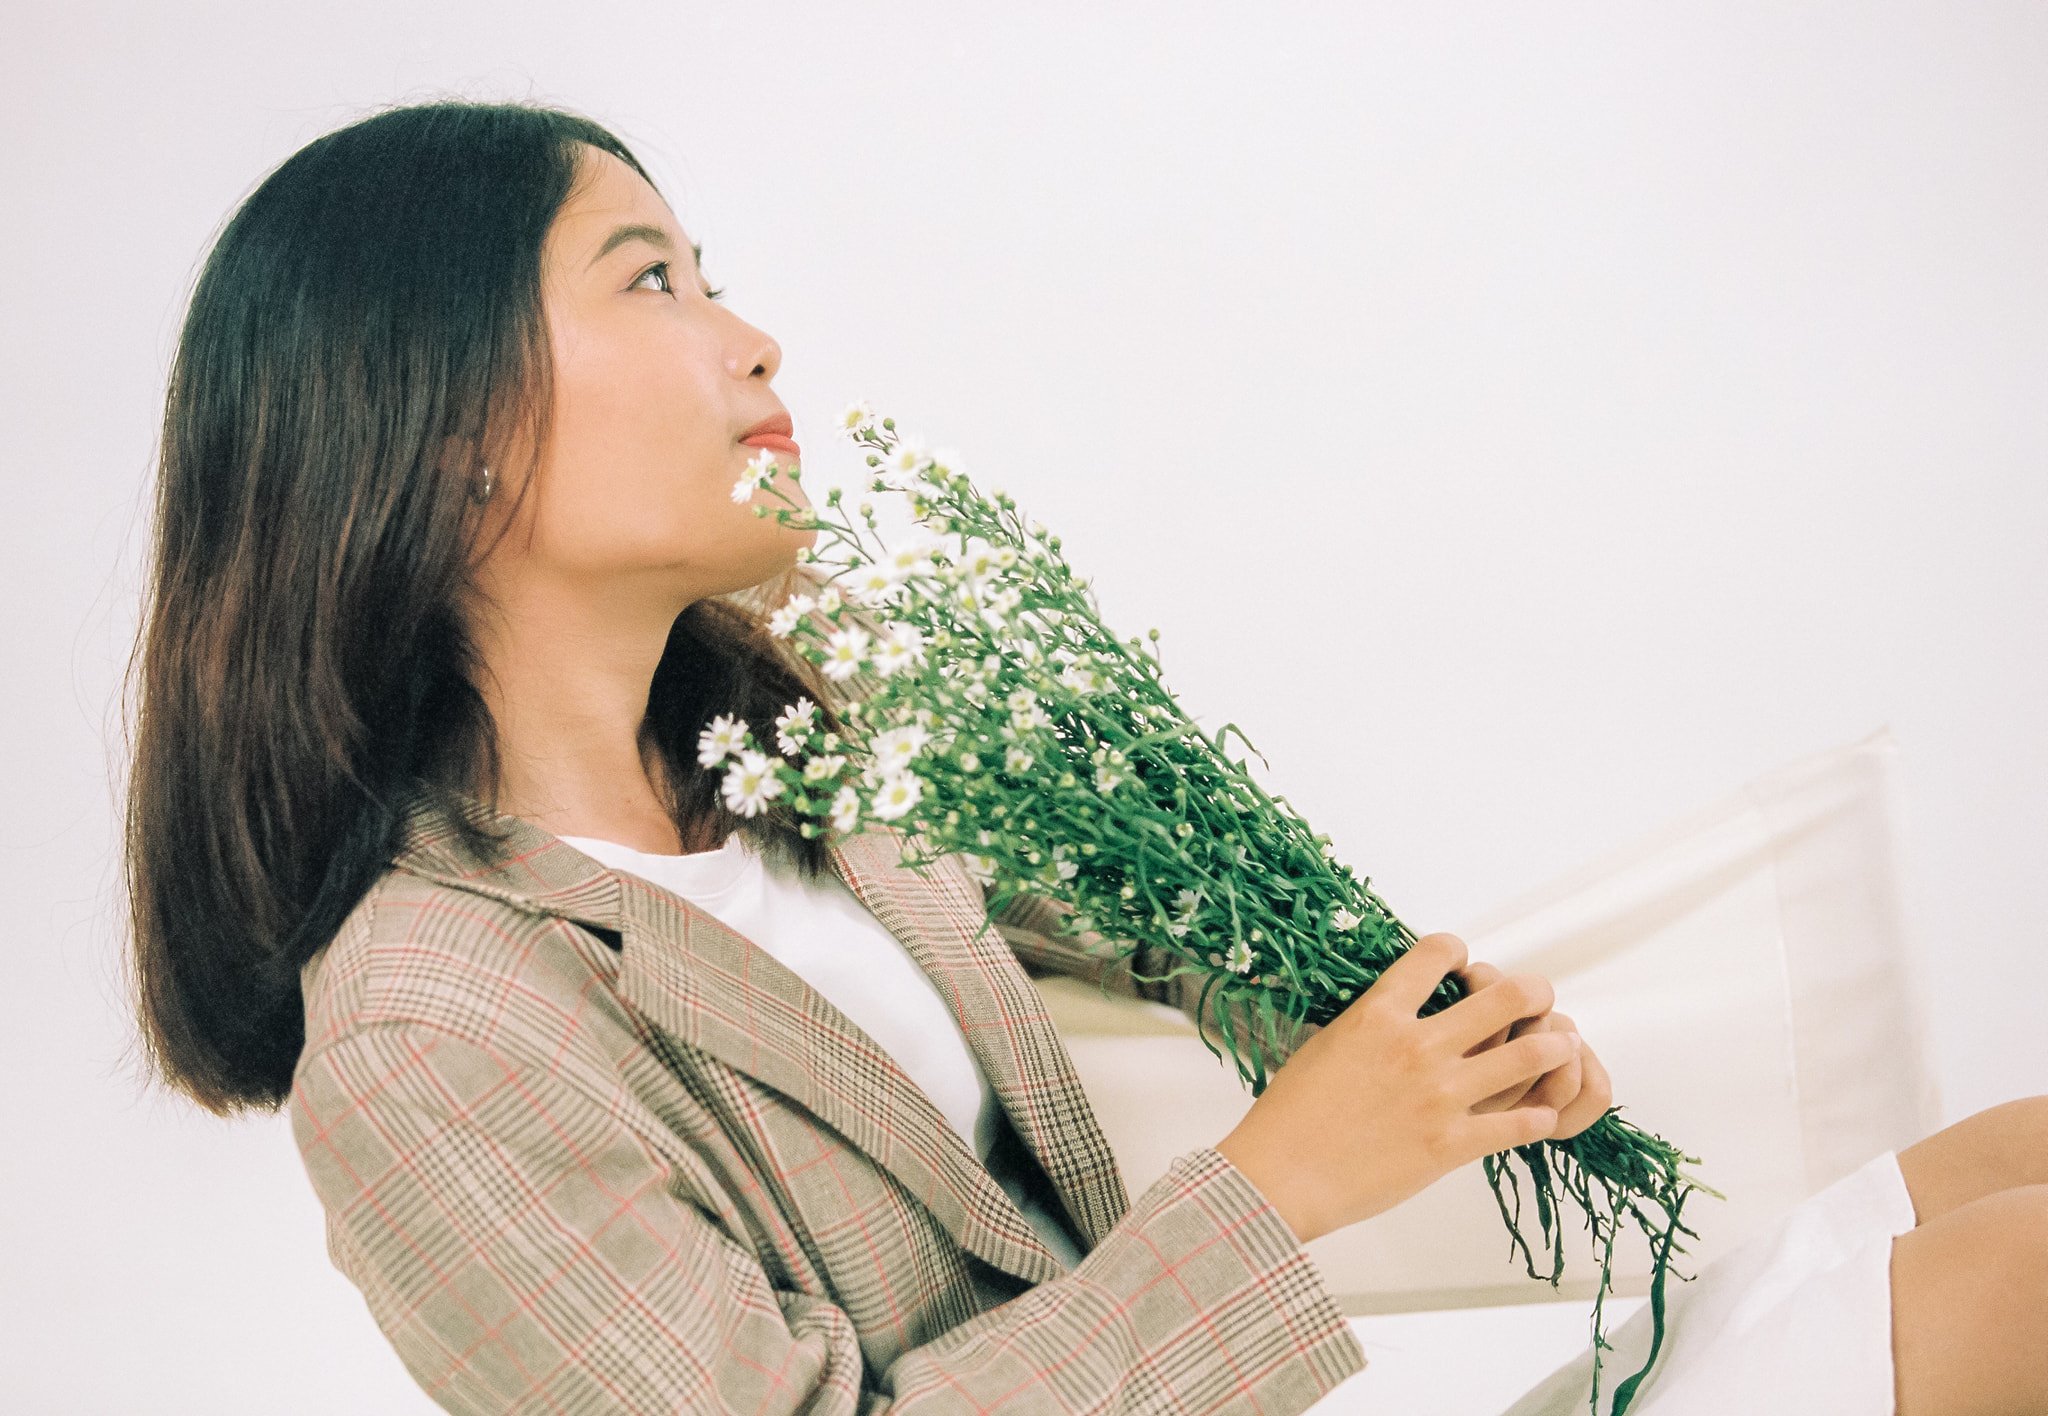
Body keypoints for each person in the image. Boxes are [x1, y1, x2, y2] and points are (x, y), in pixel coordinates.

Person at [123, 97, 2048, 1415]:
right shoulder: (431, 1039)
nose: (755, 337)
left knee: (2015, 1181)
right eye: (653, 280)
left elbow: (1172, 1009)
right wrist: (1280, 1190)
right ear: (440, 419)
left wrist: (1426, 1051)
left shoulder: (813, 784)